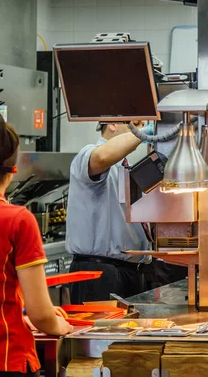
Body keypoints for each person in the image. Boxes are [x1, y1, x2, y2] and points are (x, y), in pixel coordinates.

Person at [0, 113, 72, 377]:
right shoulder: (16, 220)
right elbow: (42, 315)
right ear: (13, 171)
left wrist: (19, 313)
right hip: (1, 361)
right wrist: (58, 324)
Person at [66, 121, 154, 304]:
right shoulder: (89, 154)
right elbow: (101, 158)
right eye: (136, 124)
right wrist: (144, 134)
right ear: (112, 123)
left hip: (131, 272)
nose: (140, 128)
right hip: (99, 274)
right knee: (98, 331)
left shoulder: (124, 168)